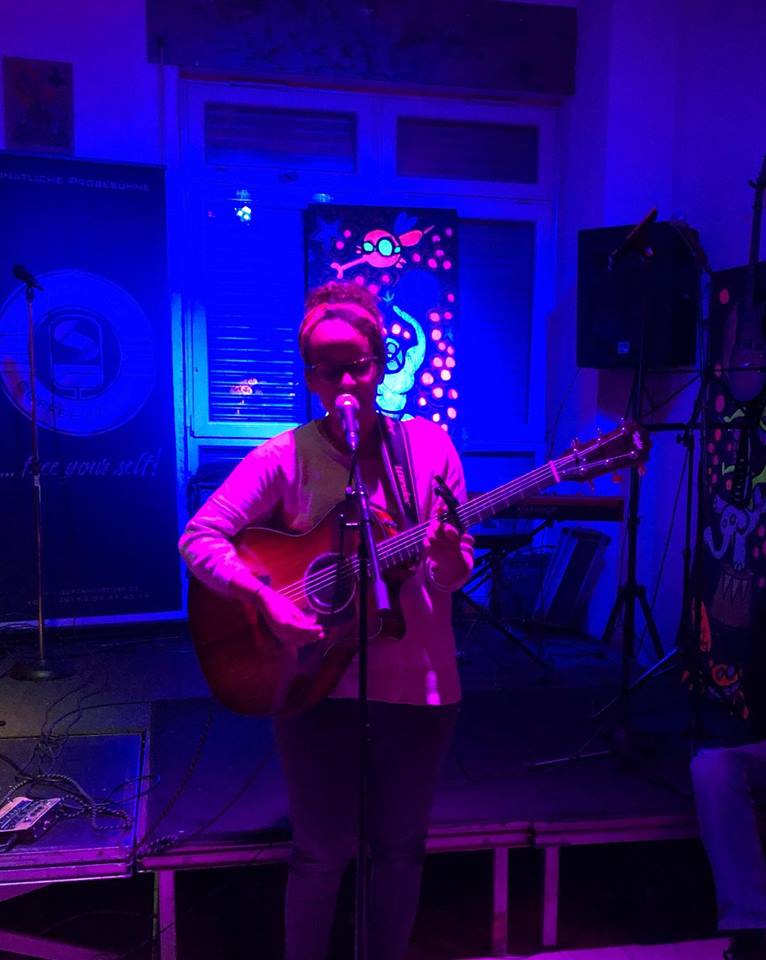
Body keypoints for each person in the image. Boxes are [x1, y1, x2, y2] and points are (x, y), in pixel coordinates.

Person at [179, 280, 474, 960]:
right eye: (327, 368)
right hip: (316, 682)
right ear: (310, 377)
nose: (345, 382)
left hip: (419, 684)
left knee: (399, 849)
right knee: (319, 852)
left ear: (382, 362)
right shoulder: (283, 456)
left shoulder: (429, 449)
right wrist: (266, 600)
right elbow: (200, 537)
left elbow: (454, 573)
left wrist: (446, 556)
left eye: (358, 365)